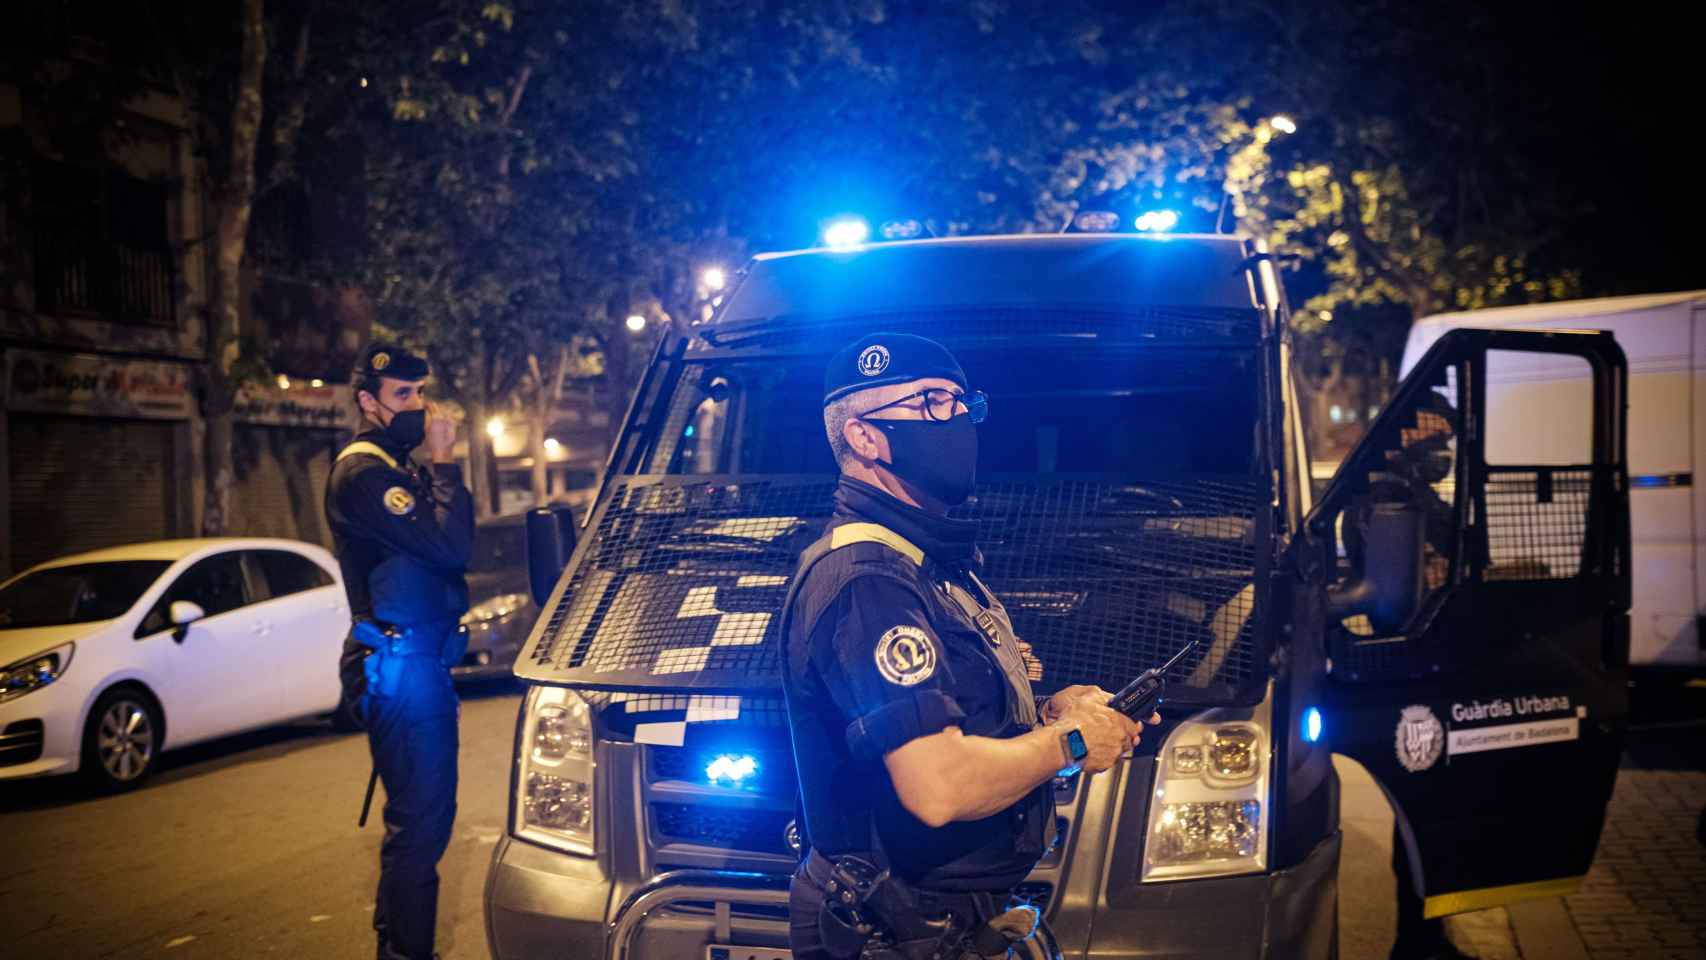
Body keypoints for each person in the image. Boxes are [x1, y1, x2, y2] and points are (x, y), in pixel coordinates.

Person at [779, 332, 1155, 959]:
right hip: (893, 931)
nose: (954, 420)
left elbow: (959, 716)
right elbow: (939, 786)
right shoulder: (869, 581)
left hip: (950, 925)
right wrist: (1073, 742)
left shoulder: (930, 563)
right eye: (929, 403)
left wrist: (1048, 713)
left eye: (960, 403)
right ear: (865, 438)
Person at [326, 342, 474, 960]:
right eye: (404, 396)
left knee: (418, 818)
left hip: (414, 664)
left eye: (421, 391)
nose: (419, 405)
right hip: (399, 667)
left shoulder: (392, 465)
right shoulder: (366, 474)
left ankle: (398, 947)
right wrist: (443, 460)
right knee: (421, 822)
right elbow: (450, 548)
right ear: (369, 402)